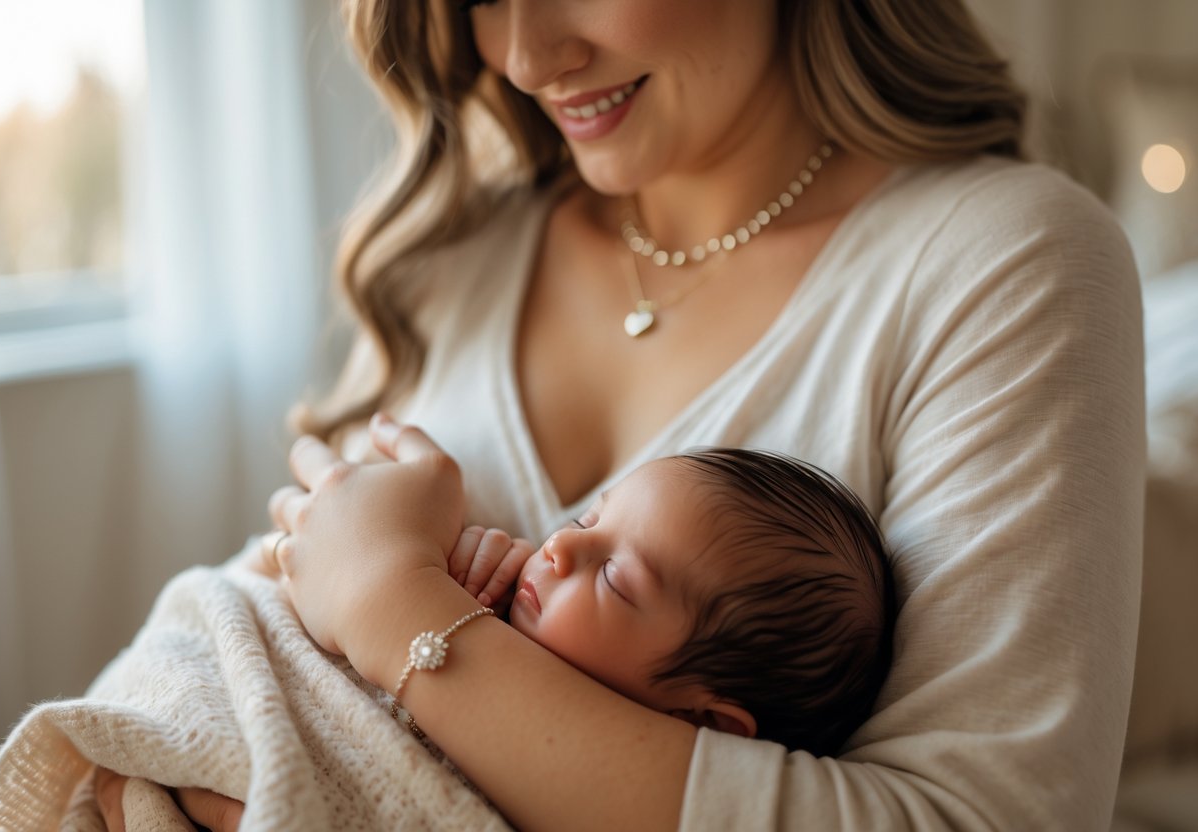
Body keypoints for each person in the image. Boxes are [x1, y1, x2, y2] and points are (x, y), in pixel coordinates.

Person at [100, 0, 1145, 828]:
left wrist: (393, 606)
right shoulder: (460, 258)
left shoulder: (1003, 262)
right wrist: (145, 748)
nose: (524, 54)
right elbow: (266, 619)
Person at [383, 444, 897, 755]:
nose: (559, 545)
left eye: (613, 579)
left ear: (700, 721)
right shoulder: (496, 600)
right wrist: (462, 566)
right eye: (587, 519)